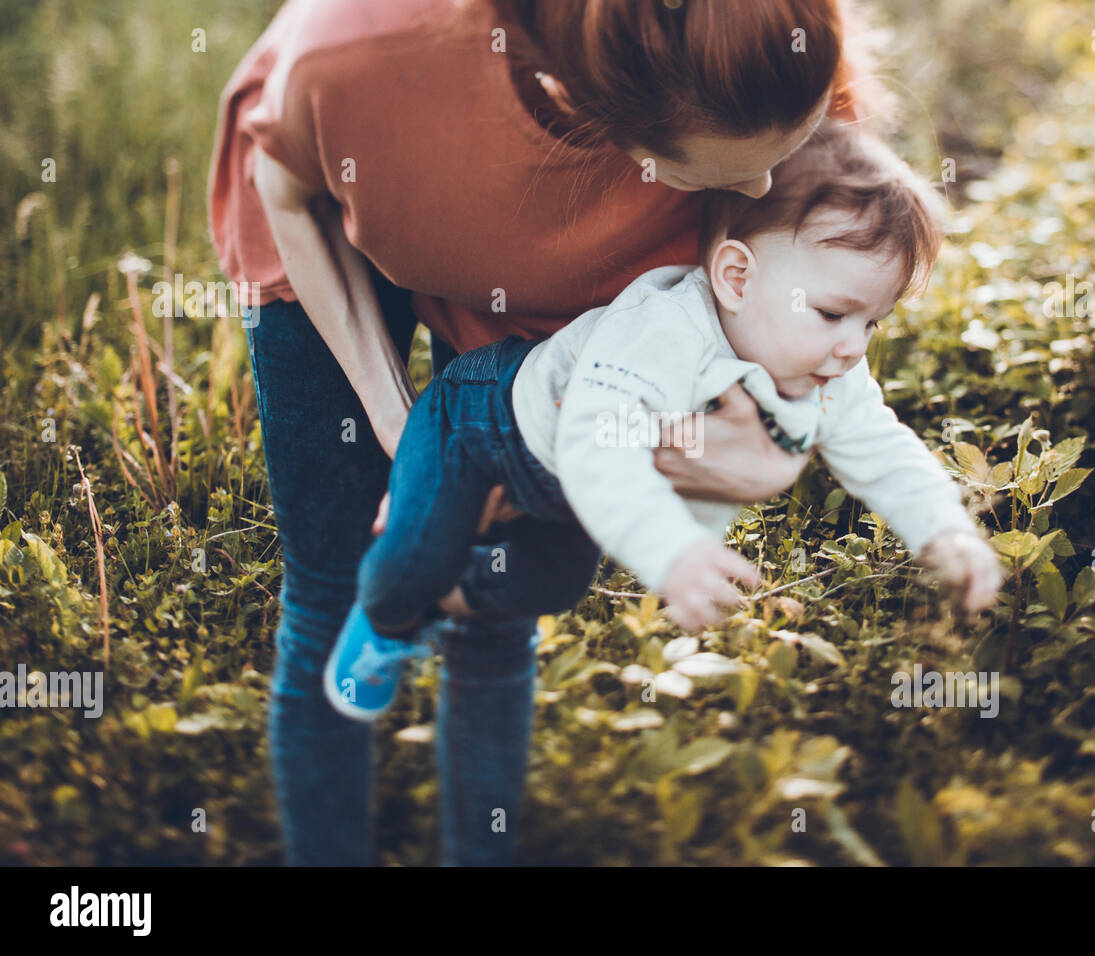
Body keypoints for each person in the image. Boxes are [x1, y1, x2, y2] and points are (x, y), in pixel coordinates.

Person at [209, 0, 883, 865]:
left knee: (499, 596)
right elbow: (286, 191)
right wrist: (398, 425)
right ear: (611, 126)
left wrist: (732, 448)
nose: (757, 189)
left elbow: (816, 289)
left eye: (782, 154)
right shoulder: (357, 50)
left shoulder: (775, 61)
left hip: (564, 274)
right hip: (348, 183)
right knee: (334, 580)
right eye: (722, 177)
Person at [324, 118, 1004, 746]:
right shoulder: (662, 331)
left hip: (569, 488)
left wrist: (944, 529)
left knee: (551, 584)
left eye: (872, 323)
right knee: (411, 563)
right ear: (736, 277)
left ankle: (448, 594)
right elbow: (598, 442)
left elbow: (884, 451)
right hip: (481, 423)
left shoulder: (831, 371)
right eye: (832, 314)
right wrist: (672, 550)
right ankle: (387, 617)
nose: (855, 347)